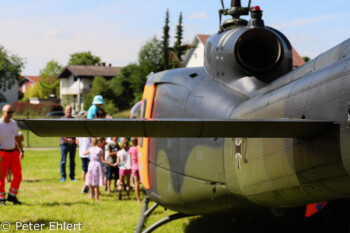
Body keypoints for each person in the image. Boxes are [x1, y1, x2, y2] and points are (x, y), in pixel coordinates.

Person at [0, 104, 25, 206]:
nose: (10, 114)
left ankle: (12, 195)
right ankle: (1, 198)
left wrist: (21, 150)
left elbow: (16, 138)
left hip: (14, 153)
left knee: (18, 175)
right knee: (1, 177)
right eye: (8, 112)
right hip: (2, 153)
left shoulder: (13, 123)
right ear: (3, 112)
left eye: (12, 112)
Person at [59, 105, 77, 182]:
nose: (68, 111)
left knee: (72, 161)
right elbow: (59, 132)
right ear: (65, 111)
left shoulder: (75, 120)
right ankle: (63, 176)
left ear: (72, 110)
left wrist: (73, 139)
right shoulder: (61, 119)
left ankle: (72, 176)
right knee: (63, 161)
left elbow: (77, 131)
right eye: (67, 110)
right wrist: (67, 139)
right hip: (64, 143)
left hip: (73, 143)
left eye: (70, 110)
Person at [129, 137, 141, 202]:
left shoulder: (131, 149)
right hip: (140, 166)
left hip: (134, 167)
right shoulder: (139, 148)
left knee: (136, 183)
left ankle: (138, 198)